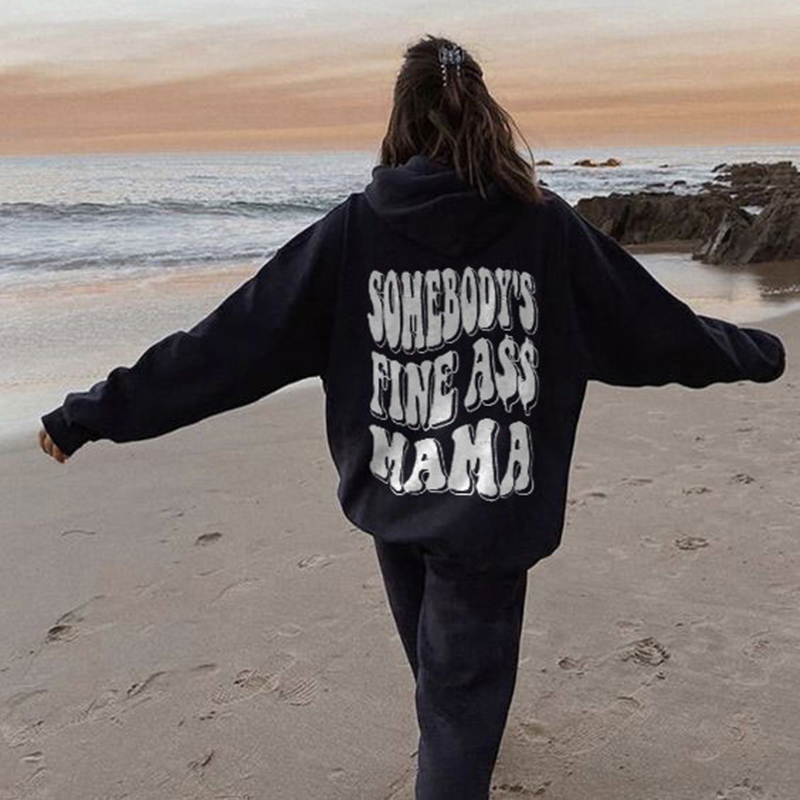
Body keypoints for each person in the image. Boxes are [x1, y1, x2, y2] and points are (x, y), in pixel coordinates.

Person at [39, 34, 786, 800]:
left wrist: (87, 415)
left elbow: (225, 346)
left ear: (399, 119)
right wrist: (756, 351)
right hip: (491, 512)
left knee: (449, 686)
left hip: (395, 495)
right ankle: (459, 748)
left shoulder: (356, 233)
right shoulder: (541, 229)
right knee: (455, 698)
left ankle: (459, 744)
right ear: (489, 116)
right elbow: (655, 327)